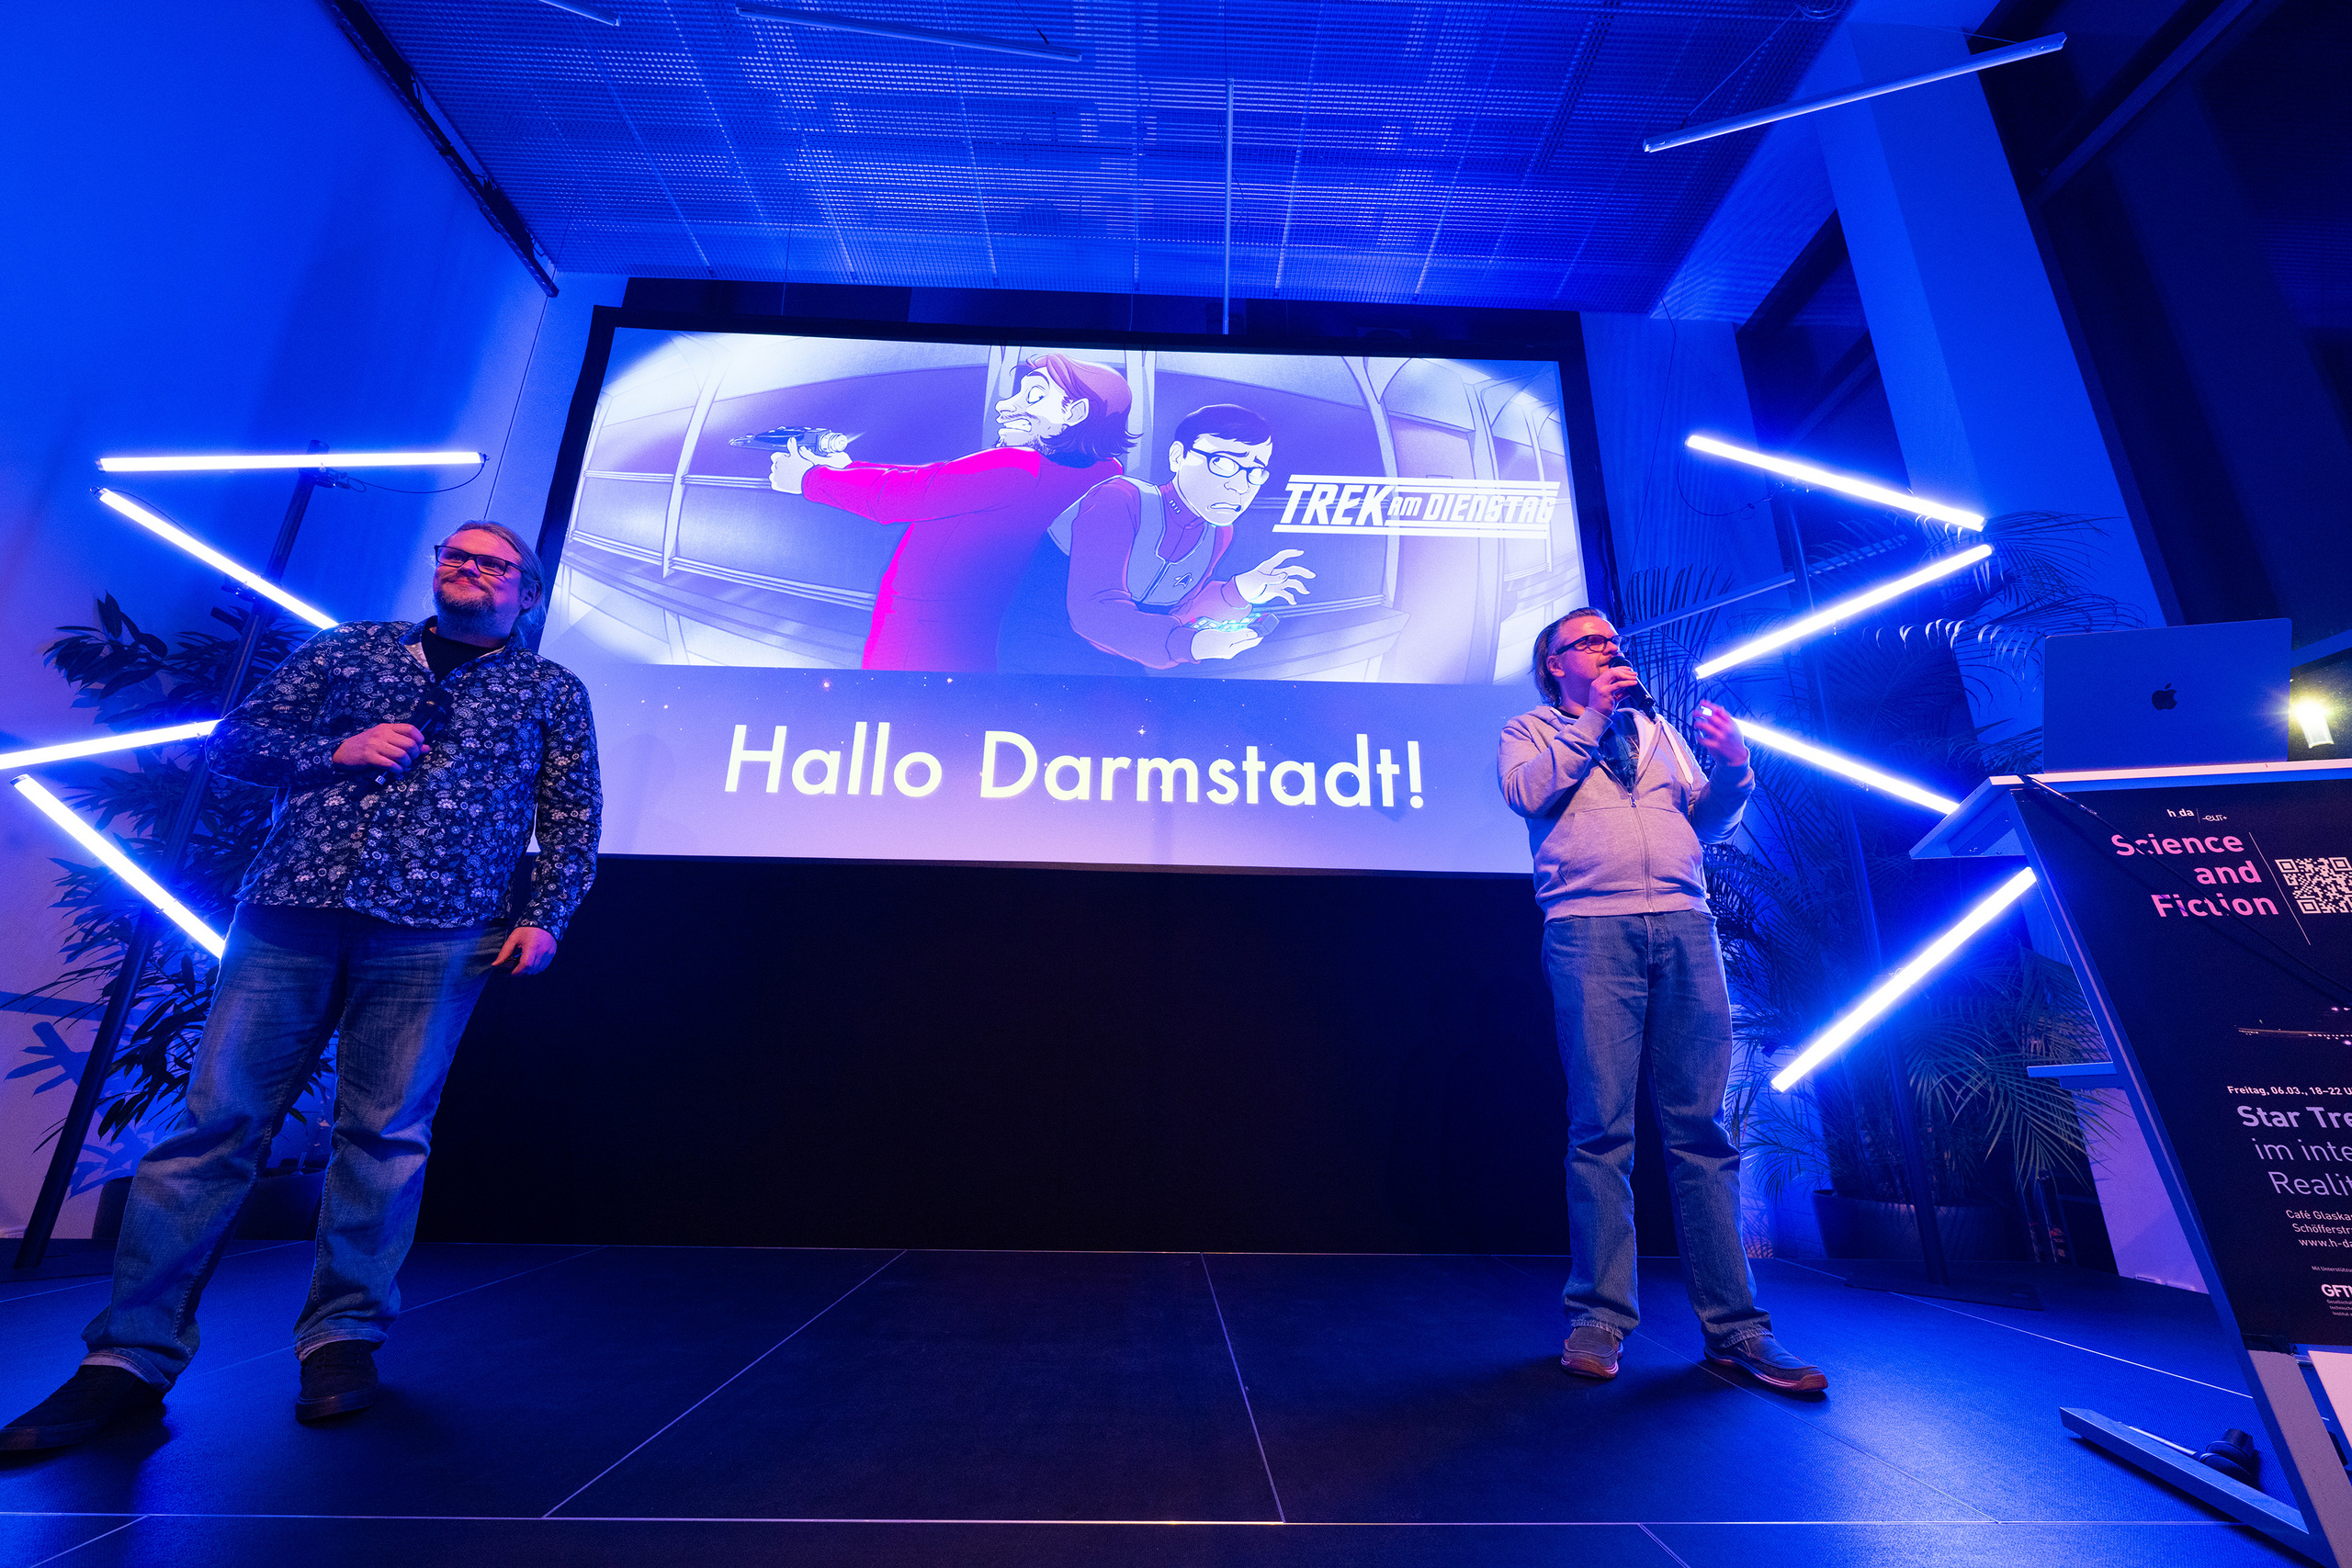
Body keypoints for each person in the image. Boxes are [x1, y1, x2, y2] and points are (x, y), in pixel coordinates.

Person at [1, 523, 602, 1450]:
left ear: (526, 593)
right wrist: (339, 750)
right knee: (214, 1126)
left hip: (438, 930)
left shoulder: (547, 689)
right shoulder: (350, 650)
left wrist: (546, 914)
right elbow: (236, 742)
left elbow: (570, 814)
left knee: (383, 1136)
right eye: (452, 554)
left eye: (491, 564)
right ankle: (125, 1359)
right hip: (289, 911)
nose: (466, 570)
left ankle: (342, 1341)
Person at [1497, 609, 1826, 1393]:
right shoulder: (1532, 729)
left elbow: (1704, 821)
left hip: (1685, 924)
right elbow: (1528, 793)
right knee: (1601, 1130)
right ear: (1555, 666)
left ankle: (1737, 1331)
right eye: (1589, 643)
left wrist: (1736, 769)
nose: (1610, 650)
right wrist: (1594, 717)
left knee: (1701, 1132)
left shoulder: (1659, 732)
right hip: (1589, 930)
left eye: (1613, 641)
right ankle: (1601, 1317)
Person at [768, 352, 1132, 672]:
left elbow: (899, 495)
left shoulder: (1016, 467)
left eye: (1034, 395)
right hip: (981, 633)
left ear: (1076, 412)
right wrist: (845, 468)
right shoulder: (1101, 473)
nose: (1006, 405)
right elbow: (932, 483)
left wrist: (809, 479)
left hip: (921, 637)